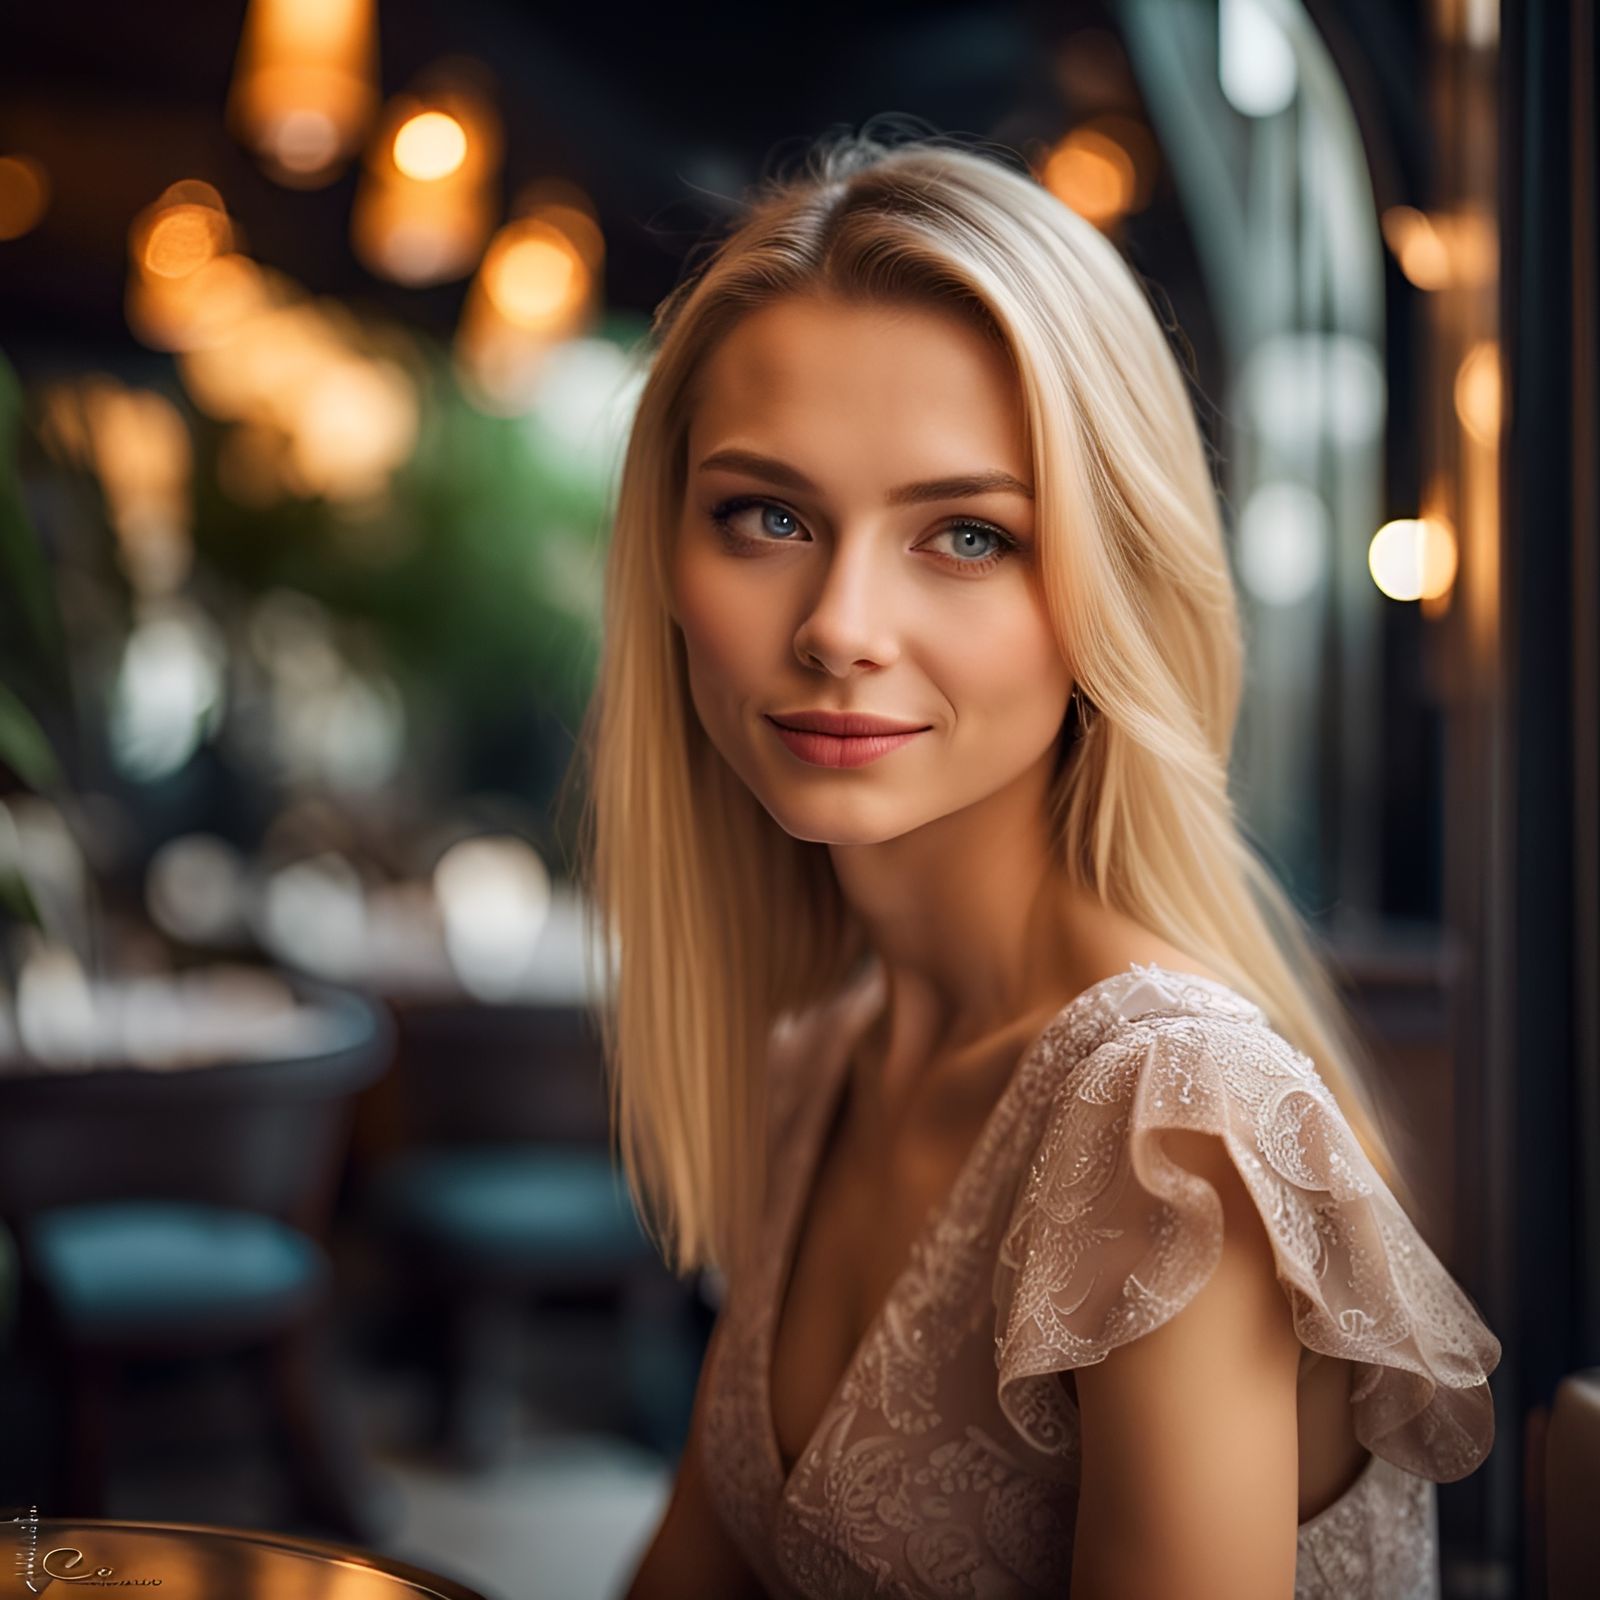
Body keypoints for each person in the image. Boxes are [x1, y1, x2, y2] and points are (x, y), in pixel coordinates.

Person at [579, 122, 1501, 1599]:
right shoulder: (827, 1060)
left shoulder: (1171, 1119)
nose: (839, 626)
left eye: (965, 536)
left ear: (1107, 587)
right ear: (667, 561)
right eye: (769, 516)